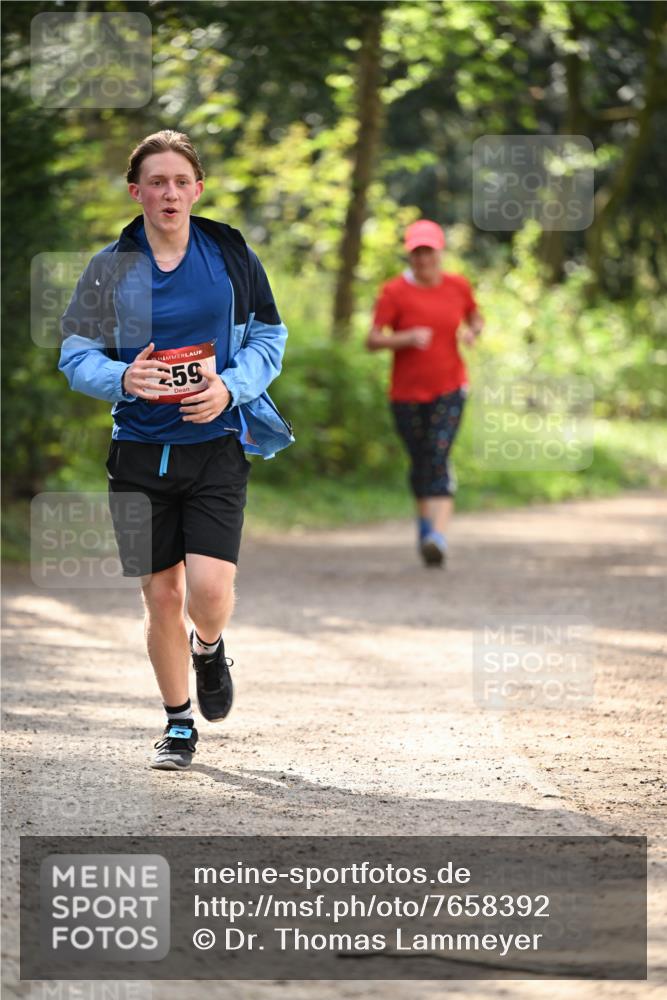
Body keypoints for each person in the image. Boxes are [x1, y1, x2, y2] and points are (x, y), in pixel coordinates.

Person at [58, 130, 293, 770]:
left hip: (214, 445)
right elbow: (74, 352)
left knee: (208, 594)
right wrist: (120, 377)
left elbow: (270, 334)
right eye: (155, 181)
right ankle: (178, 722)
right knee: (160, 594)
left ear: (198, 189)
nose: (169, 192)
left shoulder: (228, 252)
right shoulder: (110, 268)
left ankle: (209, 647)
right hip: (138, 451)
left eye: (180, 181)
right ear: (136, 192)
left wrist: (231, 387)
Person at [366, 219, 483, 567]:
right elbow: (372, 339)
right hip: (405, 394)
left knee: (438, 454)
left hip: (450, 387)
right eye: (416, 252)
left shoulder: (458, 286)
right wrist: (404, 338)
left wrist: (472, 333)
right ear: (410, 255)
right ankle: (426, 528)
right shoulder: (394, 292)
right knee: (420, 462)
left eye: (428, 251)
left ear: (439, 252)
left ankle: (438, 536)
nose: (422, 259)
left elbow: (476, 318)